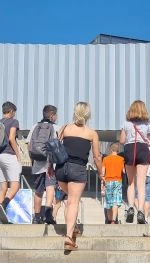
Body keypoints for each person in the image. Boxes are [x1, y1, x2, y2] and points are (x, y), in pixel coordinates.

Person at [55, 101, 103, 251]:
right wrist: (101, 173)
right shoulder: (91, 133)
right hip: (77, 168)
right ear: (88, 115)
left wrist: (50, 167)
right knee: (73, 202)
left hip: (61, 169)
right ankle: (69, 238)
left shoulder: (64, 128)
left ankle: (73, 227)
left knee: (69, 200)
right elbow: (97, 157)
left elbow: (55, 148)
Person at [119, 100, 150, 224]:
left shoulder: (126, 123)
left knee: (131, 183)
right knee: (141, 183)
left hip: (129, 149)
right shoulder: (147, 124)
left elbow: (122, 140)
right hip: (143, 149)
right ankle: (141, 211)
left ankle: (131, 207)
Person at [27, 104, 58, 225]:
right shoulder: (54, 128)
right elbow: (55, 147)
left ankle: (36, 217)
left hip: (37, 164)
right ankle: (48, 214)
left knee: (38, 191)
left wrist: (33, 161)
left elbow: (29, 146)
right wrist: (51, 165)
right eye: (56, 115)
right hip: (50, 165)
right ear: (52, 115)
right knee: (50, 187)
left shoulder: (35, 126)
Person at [0, 101, 22, 224]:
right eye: (14, 112)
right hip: (9, 156)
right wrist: (18, 155)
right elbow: (11, 138)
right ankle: (4, 204)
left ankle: (0, 219)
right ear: (11, 111)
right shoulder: (13, 122)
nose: (14, 114)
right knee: (15, 186)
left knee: (3, 188)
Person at [101, 143, 125, 224]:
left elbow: (103, 172)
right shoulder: (121, 159)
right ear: (118, 150)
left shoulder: (105, 159)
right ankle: (113, 221)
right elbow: (124, 171)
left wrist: (102, 181)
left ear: (111, 150)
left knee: (108, 202)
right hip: (118, 181)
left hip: (108, 181)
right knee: (115, 201)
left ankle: (109, 219)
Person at [135, 146, 150, 222]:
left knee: (135, 197)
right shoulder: (149, 149)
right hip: (148, 176)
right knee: (147, 198)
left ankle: (140, 212)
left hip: (138, 176)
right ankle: (145, 218)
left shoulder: (137, 147)